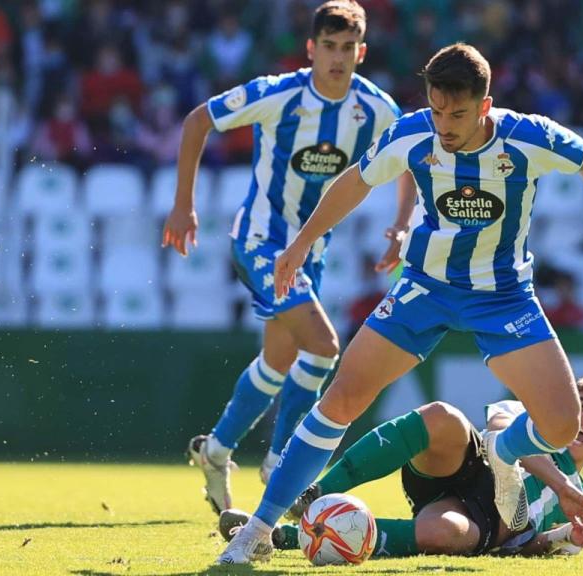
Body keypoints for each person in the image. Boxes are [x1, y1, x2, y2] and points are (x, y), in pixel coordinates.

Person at [219, 42, 583, 565]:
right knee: (340, 398)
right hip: (425, 287)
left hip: (502, 296)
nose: (445, 124)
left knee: (563, 426)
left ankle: (502, 450)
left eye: (457, 113)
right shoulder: (411, 133)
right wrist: (298, 245)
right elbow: (354, 183)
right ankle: (258, 529)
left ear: (484, 105)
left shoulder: (526, 137)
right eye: (437, 110)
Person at [162, 0, 416, 515]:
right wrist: (183, 205)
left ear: (361, 51)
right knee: (323, 347)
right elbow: (197, 121)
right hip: (260, 241)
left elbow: (408, 156)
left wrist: (402, 223)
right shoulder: (279, 94)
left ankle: (215, 451)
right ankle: (280, 464)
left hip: (311, 250)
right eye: (329, 47)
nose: (338, 57)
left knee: (278, 361)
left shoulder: (375, 107)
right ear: (310, 49)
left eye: (348, 48)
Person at [220, 374, 583, 558]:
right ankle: (315, 492)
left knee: (441, 532)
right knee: (441, 416)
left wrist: (563, 536)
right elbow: (502, 435)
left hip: (481, 519)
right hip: (476, 466)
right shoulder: (529, 416)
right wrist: (562, 486)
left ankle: (283, 538)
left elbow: (532, 546)